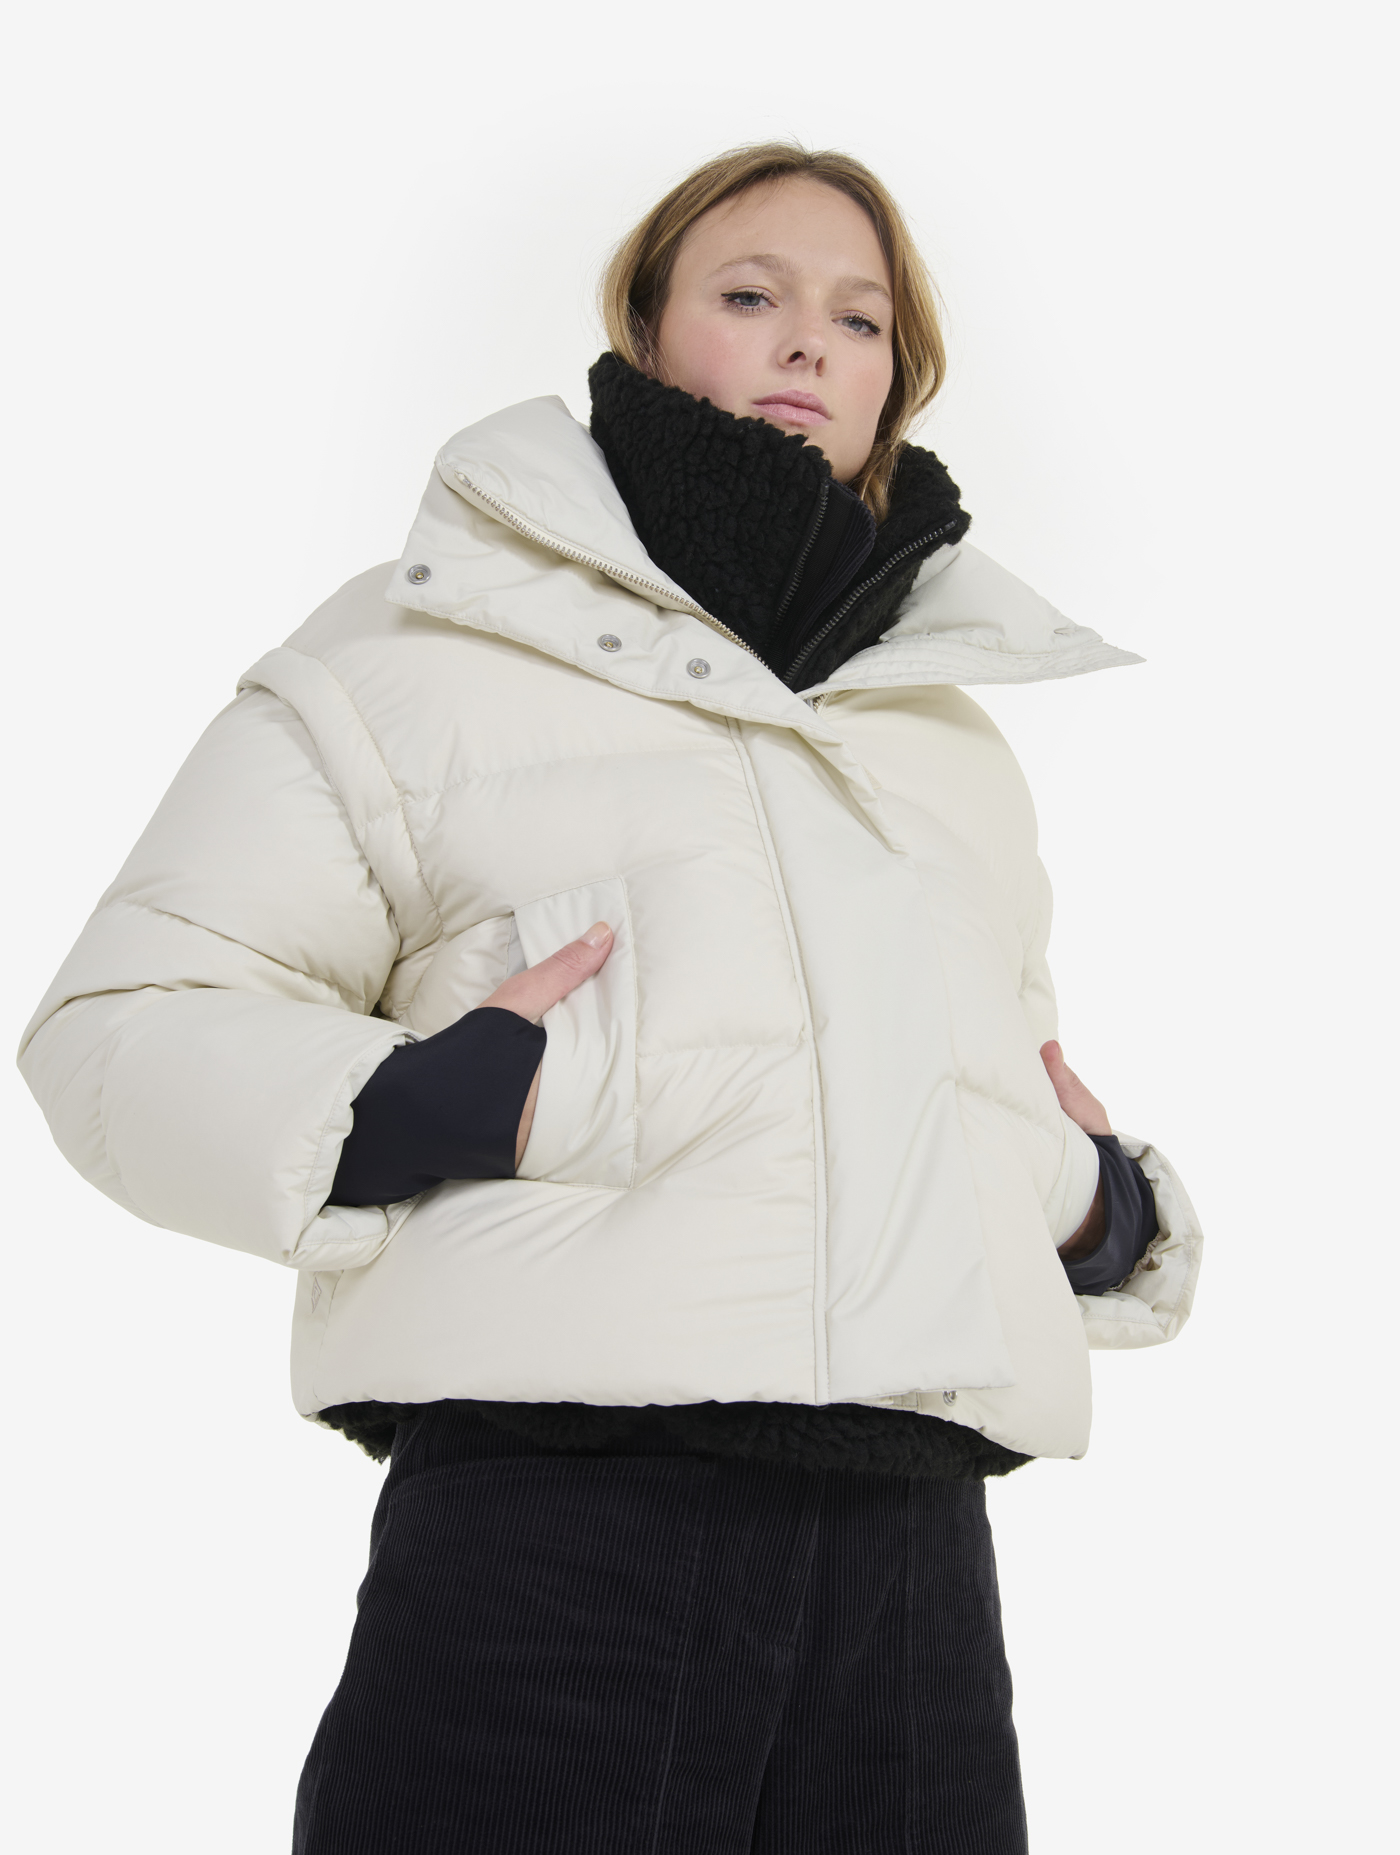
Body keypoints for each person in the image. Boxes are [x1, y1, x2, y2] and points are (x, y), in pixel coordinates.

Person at [18, 143, 1202, 1853]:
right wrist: (413, 1105)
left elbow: (970, 1082)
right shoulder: (413, 654)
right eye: (751, 293)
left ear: (896, 377)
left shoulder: (944, 741)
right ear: (644, 333)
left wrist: (1089, 1205)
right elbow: (120, 1021)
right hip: (562, 1516)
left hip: (912, 1554)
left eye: (859, 318)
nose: (807, 342)